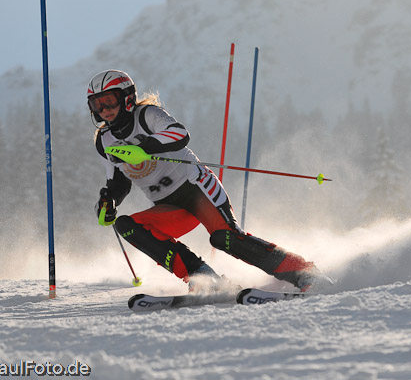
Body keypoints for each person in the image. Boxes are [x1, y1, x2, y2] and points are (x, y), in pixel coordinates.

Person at [88, 69, 322, 292]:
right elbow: (118, 181)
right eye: (97, 104)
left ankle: (303, 271)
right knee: (126, 226)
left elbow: (179, 134)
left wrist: (146, 146)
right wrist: (109, 201)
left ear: (127, 97)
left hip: (197, 189)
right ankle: (204, 278)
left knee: (224, 238)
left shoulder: (148, 115)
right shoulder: (104, 141)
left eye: (109, 100)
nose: (104, 109)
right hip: (169, 206)